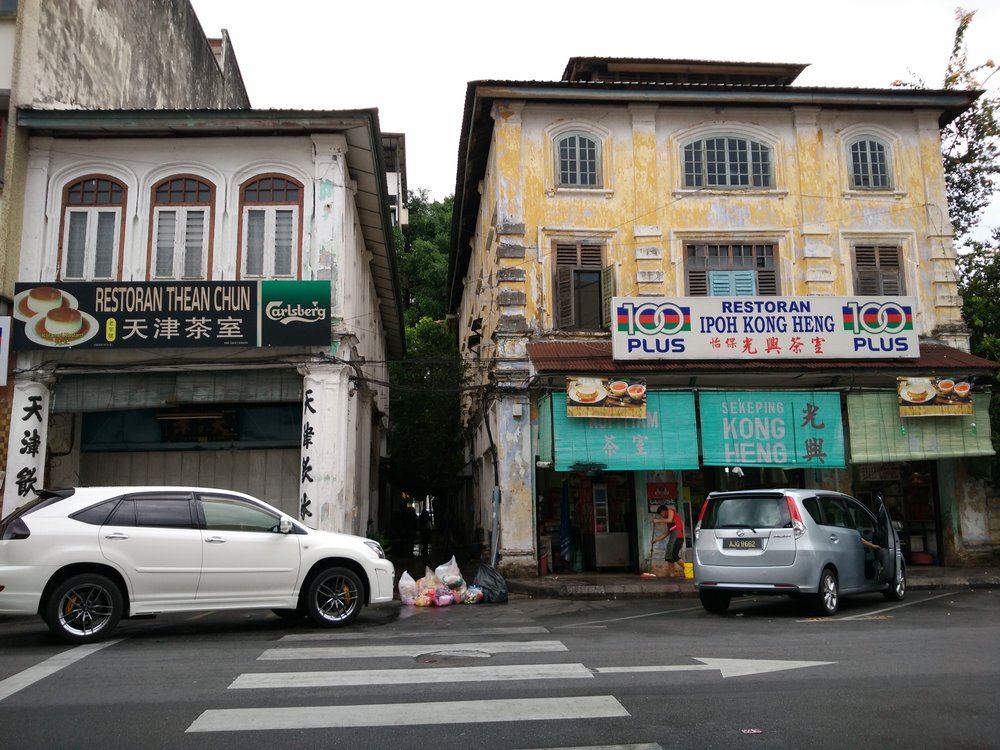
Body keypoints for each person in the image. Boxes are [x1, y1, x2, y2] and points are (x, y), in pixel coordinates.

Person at [654, 503, 685, 576]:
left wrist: (658, 521)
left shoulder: (670, 511)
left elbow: (670, 520)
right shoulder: (668, 523)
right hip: (672, 537)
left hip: (678, 536)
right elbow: (667, 533)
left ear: (664, 511)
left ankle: (687, 568)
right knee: (669, 555)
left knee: (674, 555)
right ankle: (672, 574)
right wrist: (656, 539)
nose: (661, 516)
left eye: (661, 513)